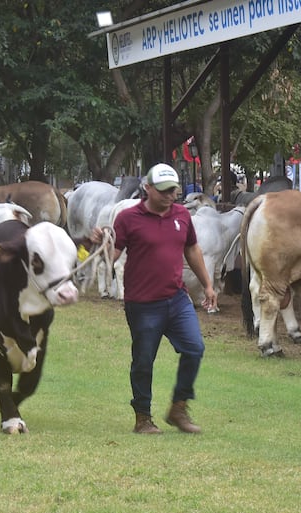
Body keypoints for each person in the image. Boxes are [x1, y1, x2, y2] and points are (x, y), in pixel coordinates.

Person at [92, 163, 217, 435]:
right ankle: (143, 417)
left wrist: (208, 284)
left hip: (177, 299)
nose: (171, 195)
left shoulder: (183, 215)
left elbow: (192, 249)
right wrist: (99, 243)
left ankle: (178, 408)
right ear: (147, 189)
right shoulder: (127, 218)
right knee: (143, 360)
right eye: (164, 191)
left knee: (194, 348)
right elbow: (111, 257)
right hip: (142, 304)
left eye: (174, 190)